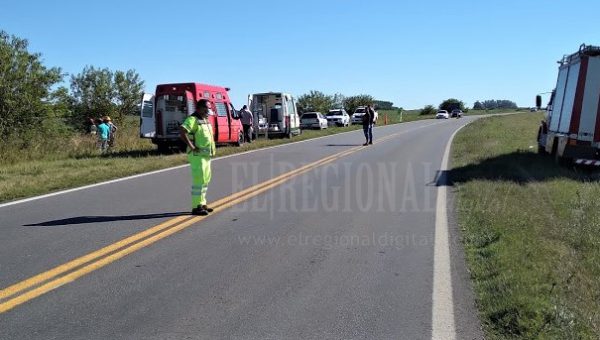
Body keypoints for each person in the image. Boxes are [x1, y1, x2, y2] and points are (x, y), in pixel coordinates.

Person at [180, 99, 217, 216]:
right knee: (198, 181)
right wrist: (191, 146)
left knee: (205, 180)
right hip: (197, 156)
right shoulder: (192, 119)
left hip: (206, 156)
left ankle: (202, 203)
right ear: (199, 108)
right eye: (206, 108)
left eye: (209, 108)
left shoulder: (205, 120)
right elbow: (182, 131)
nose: (208, 110)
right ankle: (196, 207)